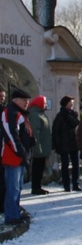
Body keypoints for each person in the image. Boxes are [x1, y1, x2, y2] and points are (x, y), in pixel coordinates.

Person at [1, 89, 33, 225]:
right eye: (24, 100)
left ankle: (15, 212)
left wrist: (31, 141)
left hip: (19, 156)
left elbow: (24, 132)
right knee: (12, 187)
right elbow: (10, 135)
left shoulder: (19, 113)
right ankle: (11, 216)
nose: (27, 103)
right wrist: (20, 151)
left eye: (28, 100)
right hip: (12, 156)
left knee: (18, 187)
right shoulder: (10, 112)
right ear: (16, 100)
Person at [51, 96, 81, 192]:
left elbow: (75, 124)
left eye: (72, 102)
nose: (72, 104)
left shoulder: (73, 115)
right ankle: (66, 185)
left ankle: (75, 183)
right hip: (63, 144)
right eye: (70, 103)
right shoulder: (60, 116)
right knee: (65, 165)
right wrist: (57, 144)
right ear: (65, 104)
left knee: (76, 164)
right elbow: (55, 130)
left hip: (73, 143)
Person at [27, 95, 52, 195]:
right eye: (44, 102)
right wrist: (38, 147)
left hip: (43, 146)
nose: (46, 104)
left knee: (40, 168)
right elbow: (35, 132)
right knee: (37, 168)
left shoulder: (41, 114)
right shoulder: (35, 115)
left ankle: (38, 186)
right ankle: (36, 187)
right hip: (39, 147)